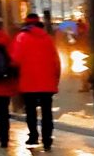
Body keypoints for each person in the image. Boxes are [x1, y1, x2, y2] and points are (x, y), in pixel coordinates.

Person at [11, 12, 62, 148]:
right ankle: (47, 138)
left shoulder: (21, 37)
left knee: (31, 110)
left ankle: (33, 136)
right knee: (47, 111)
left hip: (28, 81)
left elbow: (15, 60)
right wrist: (56, 79)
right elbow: (57, 61)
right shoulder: (48, 39)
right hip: (47, 82)